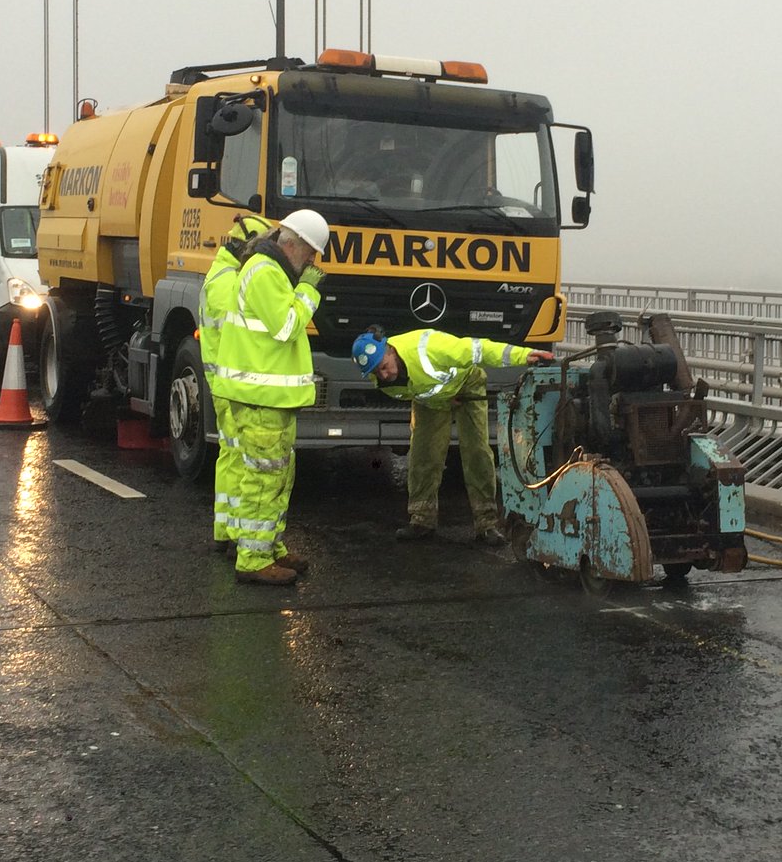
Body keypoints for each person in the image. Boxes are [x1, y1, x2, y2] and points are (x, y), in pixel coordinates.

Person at [207, 209, 329, 587]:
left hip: (270, 398)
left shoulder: (268, 270)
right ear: (291, 244)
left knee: (275, 475)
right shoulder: (264, 272)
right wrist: (309, 290)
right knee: (263, 479)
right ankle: (254, 558)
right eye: (309, 255)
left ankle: (268, 545)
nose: (310, 262)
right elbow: (287, 326)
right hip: (261, 398)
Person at [352, 326, 556, 545]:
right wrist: (445, 399)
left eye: (384, 366)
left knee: (476, 451)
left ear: (390, 349)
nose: (384, 375)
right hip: (433, 400)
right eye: (376, 372)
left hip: (467, 383)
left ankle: (486, 524)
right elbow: (417, 391)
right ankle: (422, 519)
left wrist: (523, 355)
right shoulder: (380, 381)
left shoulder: (430, 348)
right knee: (423, 454)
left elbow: (480, 349)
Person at [199, 210, 274, 556]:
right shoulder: (230, 284)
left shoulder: (220, 276)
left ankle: (225, 529)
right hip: (232, 384)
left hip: (223, 383)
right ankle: (239, 534)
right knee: (244, 460)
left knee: (230, 456)